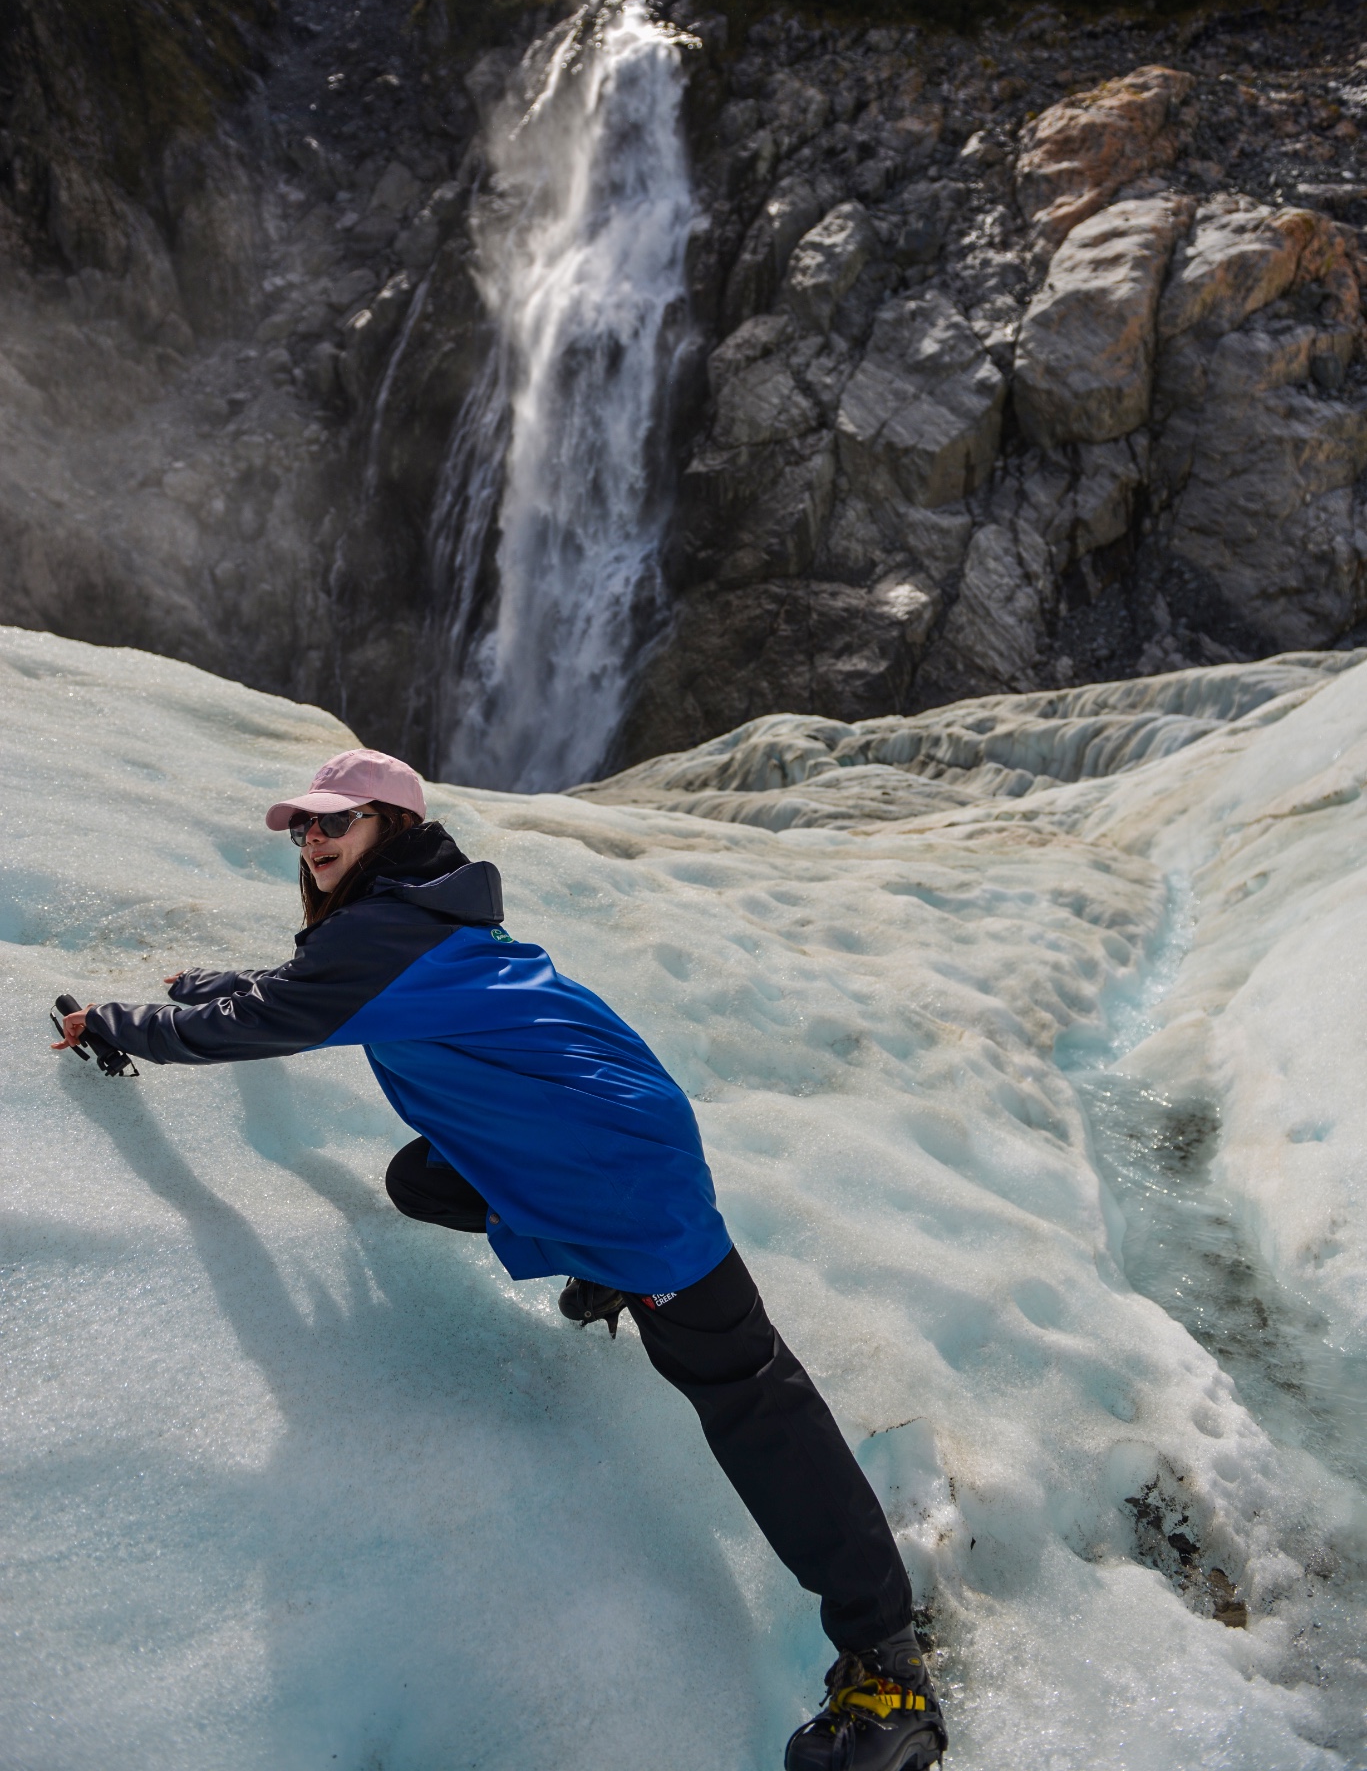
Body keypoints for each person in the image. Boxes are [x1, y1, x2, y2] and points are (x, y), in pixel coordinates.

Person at [52, 747, 946, 1771]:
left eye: (333, 820)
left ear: (390, 822)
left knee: (748, 1393)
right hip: (602, 1133)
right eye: (303, 824)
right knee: (421, 1180)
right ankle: (601, 1267)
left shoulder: (385, 930)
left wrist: (116, 1025)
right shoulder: (420, 911)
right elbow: (310, 988)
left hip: (614, 1171)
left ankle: (885, 1665)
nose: (313, 837)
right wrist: (226, 983)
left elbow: (272, 1019)